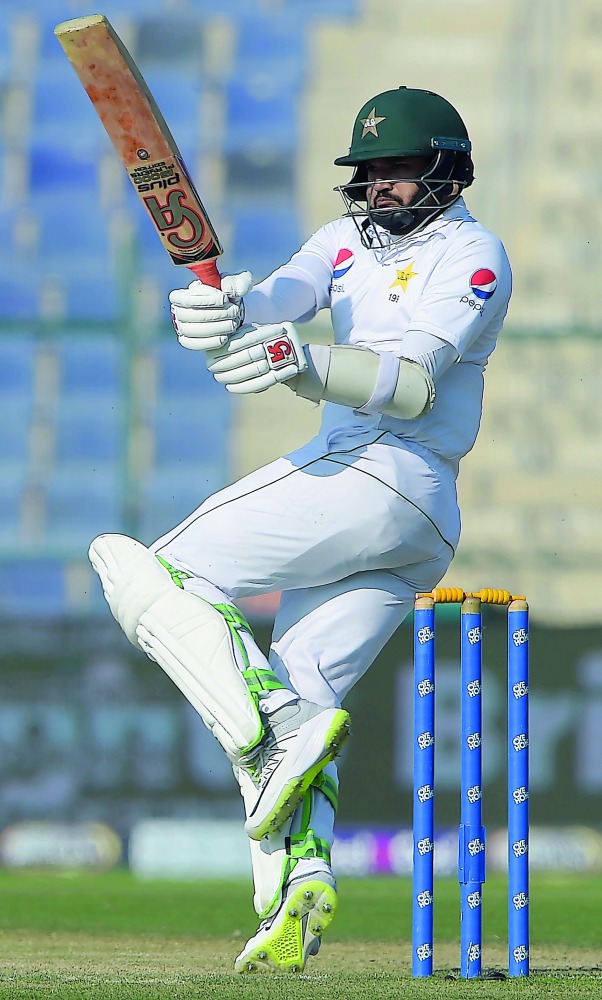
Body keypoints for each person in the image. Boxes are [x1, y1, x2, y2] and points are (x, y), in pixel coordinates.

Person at [89, 86, 512, 974]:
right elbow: (282, 296)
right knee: (303, 686)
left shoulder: (475, 256)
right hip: (407, 529)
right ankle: (299, 888)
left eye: (397, 170)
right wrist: (226, 311)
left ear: (447, 168)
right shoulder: (344, 240)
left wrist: (301, 362)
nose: (378, 187)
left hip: (387, 474)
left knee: (141, 571)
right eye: (368, 173)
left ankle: (273, 724)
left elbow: (413, 384)